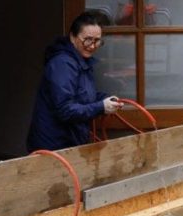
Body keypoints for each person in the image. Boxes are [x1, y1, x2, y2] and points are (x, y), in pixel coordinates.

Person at [27, 11, 123, 152]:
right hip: (53, 145)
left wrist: (104, 99)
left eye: (97, 41)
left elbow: (82, 95)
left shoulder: (81, 60)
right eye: (88, 39)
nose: (92, 45)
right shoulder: (63, 64)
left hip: (69, 141)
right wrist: (101, 107)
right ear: (72, 37)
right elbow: (65, 110)